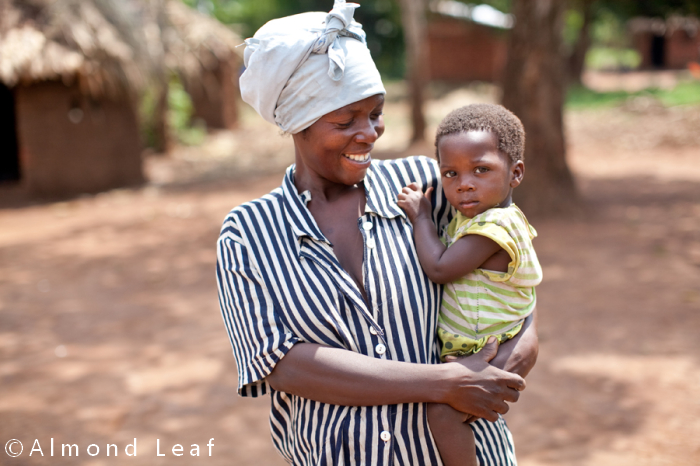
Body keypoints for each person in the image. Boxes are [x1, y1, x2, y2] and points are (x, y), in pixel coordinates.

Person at [216, 2, 538, 464]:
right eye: (345, 121)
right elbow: (283, 365)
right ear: (295, 123)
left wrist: (497, 372)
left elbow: (512, 272)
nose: (368, 133)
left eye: (376, 113)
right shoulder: (250, 234)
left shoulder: (426, 186)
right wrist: (445, 384)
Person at [397, 104, 543, 466]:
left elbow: (440, 267)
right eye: (451, 173)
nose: (464, 184)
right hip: (482, 344)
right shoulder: (475, 217)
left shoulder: (496, 227)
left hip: (493, 348)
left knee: (444, 414)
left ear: (515, 173)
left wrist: (421, 218)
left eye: (481, 169)